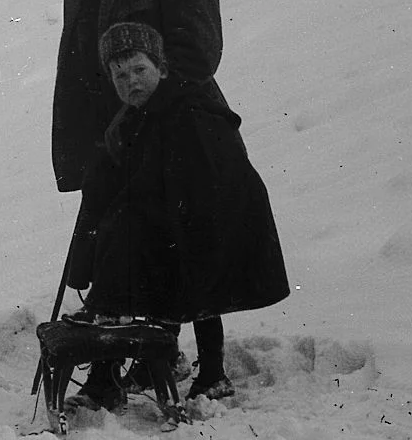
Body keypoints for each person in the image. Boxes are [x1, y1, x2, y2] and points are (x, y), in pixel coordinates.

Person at [48, 0, 235, 400]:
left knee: (185, 244)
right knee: (118, 245)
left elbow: (200, 53)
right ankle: (126, 361)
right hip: (115, 137)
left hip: (179, 131)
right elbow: (78, 53)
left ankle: (210, 369)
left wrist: (148, 104)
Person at [61, 22, 288, 410]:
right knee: (149, 260)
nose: (130, 82)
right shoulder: (142, 115)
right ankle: (144, 366)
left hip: (223, 215)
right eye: (120, 75)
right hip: (186, 218)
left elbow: (194, 179)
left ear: (161, 69)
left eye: (139, 71)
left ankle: (205, 373)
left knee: (184, 276)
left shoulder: (187, 109)